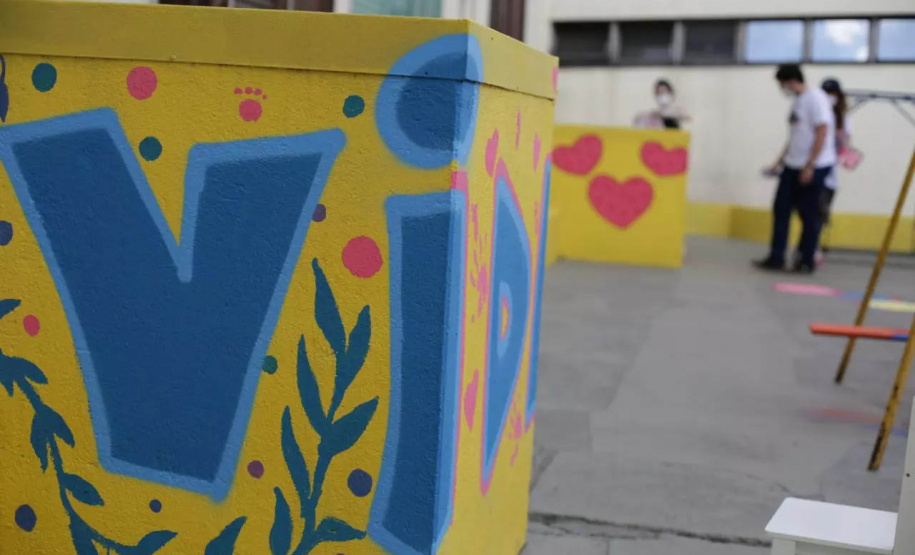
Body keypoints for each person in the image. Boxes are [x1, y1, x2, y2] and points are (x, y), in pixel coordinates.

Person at [754, 64, 836, 274]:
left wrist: (810, 165)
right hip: (792, 165)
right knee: (781, 209)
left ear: (790, 81)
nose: (782, 89)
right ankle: (776, 257)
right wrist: (779, 162)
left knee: (808, 215)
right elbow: (795, 137)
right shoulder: (798, 101)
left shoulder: (815, 98)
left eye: (782, 84)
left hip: (813, 166)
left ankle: (806, 260)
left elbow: (822, 131)